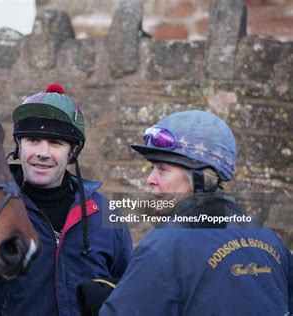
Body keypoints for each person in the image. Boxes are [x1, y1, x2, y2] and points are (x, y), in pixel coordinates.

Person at [0, 83, 133, 315]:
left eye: (56, 143)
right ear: (19, 146)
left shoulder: (106, 214)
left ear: (72, 152)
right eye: (33, 140)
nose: (43, 153)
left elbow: (129, 293)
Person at [95, 110, 293, 315]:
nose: (150, 179)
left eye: (162, 169)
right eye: (152, 167)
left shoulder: (164, 247)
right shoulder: (269, 239)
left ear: (198, 178)